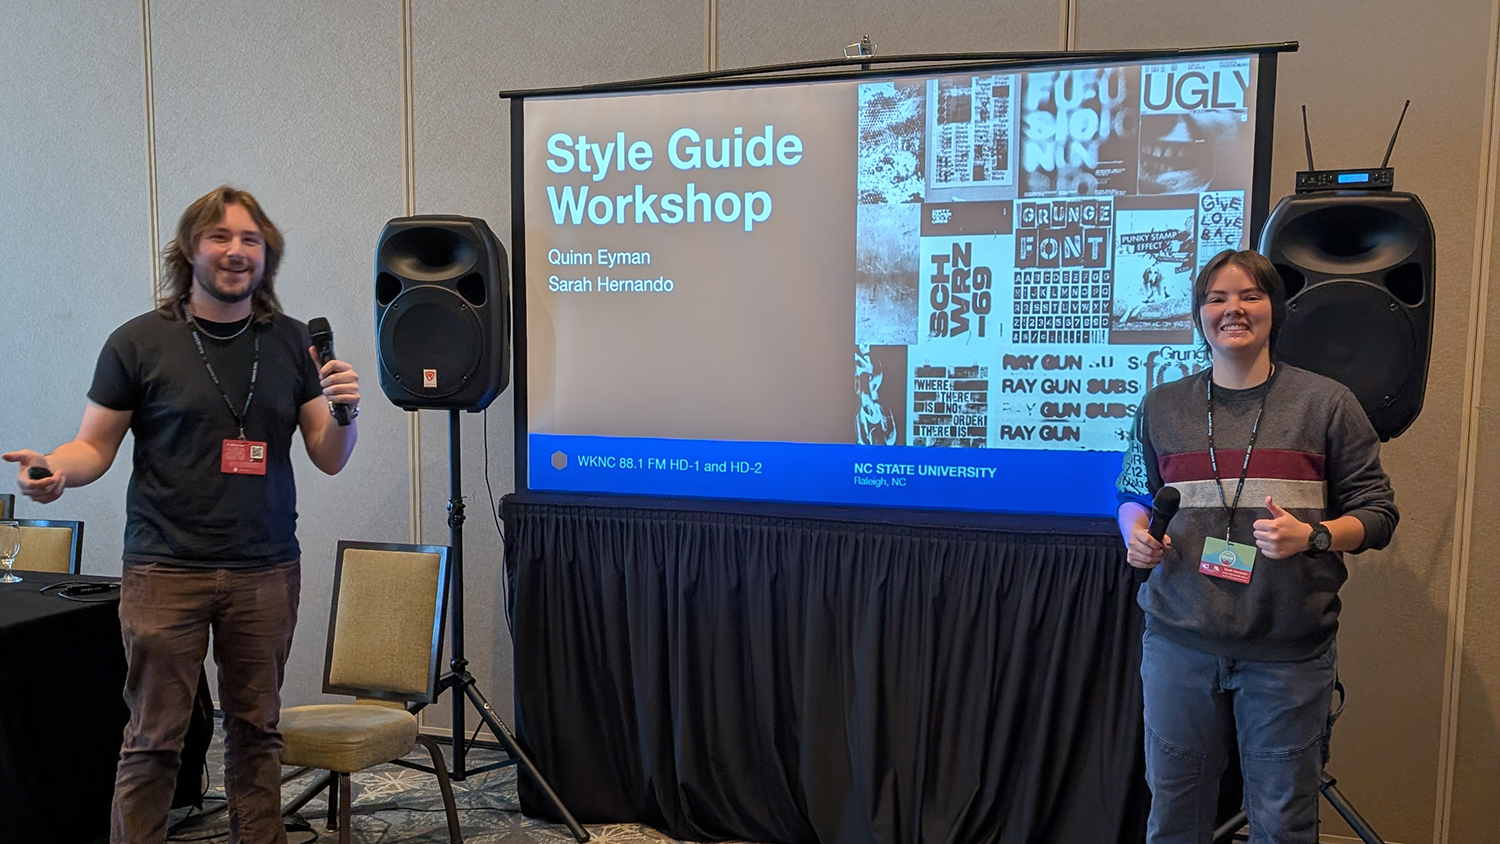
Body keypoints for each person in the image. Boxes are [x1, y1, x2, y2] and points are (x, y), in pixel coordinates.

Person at [3, 186, 360, 844]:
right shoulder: (139, 343)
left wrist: (346, 412)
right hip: (165, 570)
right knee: (154, 740)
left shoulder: (289, 344)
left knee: (257, 735)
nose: (235, 251)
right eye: (220, 237)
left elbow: (328, 456)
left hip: (266, 570)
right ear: (190, 250)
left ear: (267, 255)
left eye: (250, 240)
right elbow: (93, 445)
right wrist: (55, 469)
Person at [1114, 249, 1397, 844]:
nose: (1232, 309)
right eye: (1216, 298)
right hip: (1178, 644)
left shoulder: (1326, 403)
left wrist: (1314, 535)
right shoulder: (1162, 405)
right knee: (1173, 817)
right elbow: (1134, 493)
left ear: (1275, 310)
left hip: (1287, 654)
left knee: (1283, 823)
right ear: (1199, 313)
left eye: (1249, 295)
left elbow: (1378, 514)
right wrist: (1134, 531)